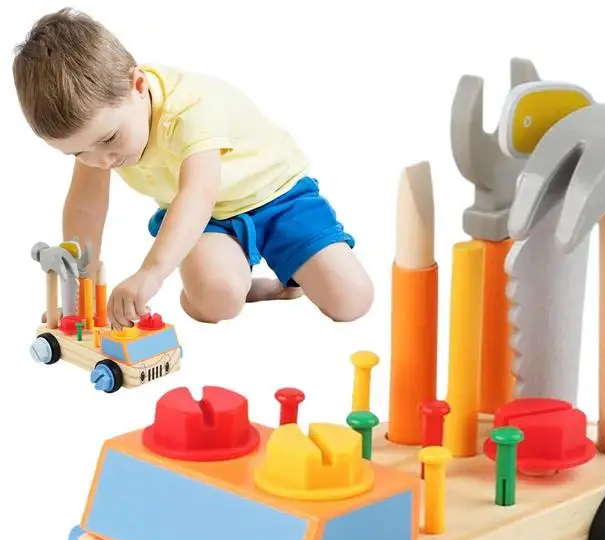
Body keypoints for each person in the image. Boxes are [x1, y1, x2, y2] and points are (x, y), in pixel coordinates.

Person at [13, 8, 374, 328]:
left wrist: (151, 273)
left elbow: (198, 194)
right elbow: (85, 208)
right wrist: (81, 294)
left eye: (110, 139)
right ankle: (238, 286)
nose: (101, 161)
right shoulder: (98, 137)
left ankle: (286, 275)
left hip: (280, 196)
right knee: (216, 301)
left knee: (352, 301)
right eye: (78, 153)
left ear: (137, 85)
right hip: (211, 221)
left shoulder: (191, 109)